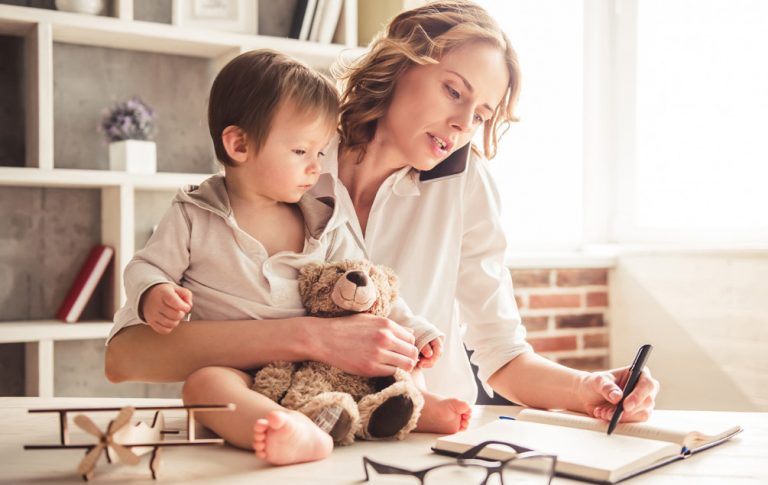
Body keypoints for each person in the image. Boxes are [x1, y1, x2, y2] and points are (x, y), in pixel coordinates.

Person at [107, 0, 657, 454]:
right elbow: (128, 355)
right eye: (454, 91)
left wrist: (587, 388)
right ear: (402, 63)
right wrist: (316, 339)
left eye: (483, 113)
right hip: (293, 440)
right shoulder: (291, 153)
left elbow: (503, 354)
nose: (465, 125)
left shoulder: (467, 186)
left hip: (422, 445)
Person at [108, 49, 460, 466]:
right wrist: (155, 293)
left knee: (388, 366)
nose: (315, 168)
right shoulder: (193, 214)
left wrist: (416, 331)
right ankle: (287, 429)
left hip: (318, 370)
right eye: (300, 152)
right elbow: (145, 266)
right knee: (202, 388)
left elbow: (369, 284)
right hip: (238, 370)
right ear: (239, 144)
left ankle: (416, 407)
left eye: (319, 152)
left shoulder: (323, 217)